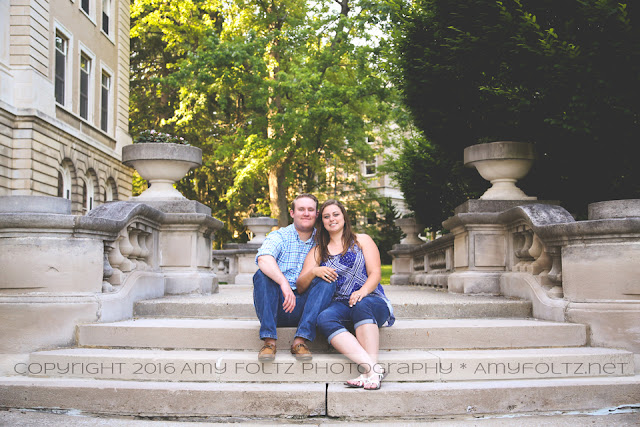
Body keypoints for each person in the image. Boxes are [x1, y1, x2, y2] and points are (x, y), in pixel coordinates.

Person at [296, 199, 395, 390]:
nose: (331, 219)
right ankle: (372, 370)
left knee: (361, 304)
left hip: (371, 299)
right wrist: (314, 271)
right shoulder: (318, 251)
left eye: (336, 214)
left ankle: (370, 372)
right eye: (326, 216)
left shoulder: (362, 240)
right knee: (324, 317)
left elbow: (375, 273)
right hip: (341, 305)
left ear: (343, 217)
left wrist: (362, 292)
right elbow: (301, 286)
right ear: (322, 222)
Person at [253, 194, 336, 362]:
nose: (306, 213)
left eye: (310, 210)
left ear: (317, 214)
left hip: (307, 308)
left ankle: (300, 341)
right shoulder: (280, 236)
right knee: (261, 275)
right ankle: (269, 342)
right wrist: (283, 283)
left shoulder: (323, 240)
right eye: (301, 209)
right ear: (292, 213)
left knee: (327, 280)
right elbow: (264, 258)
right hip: (278, 305)